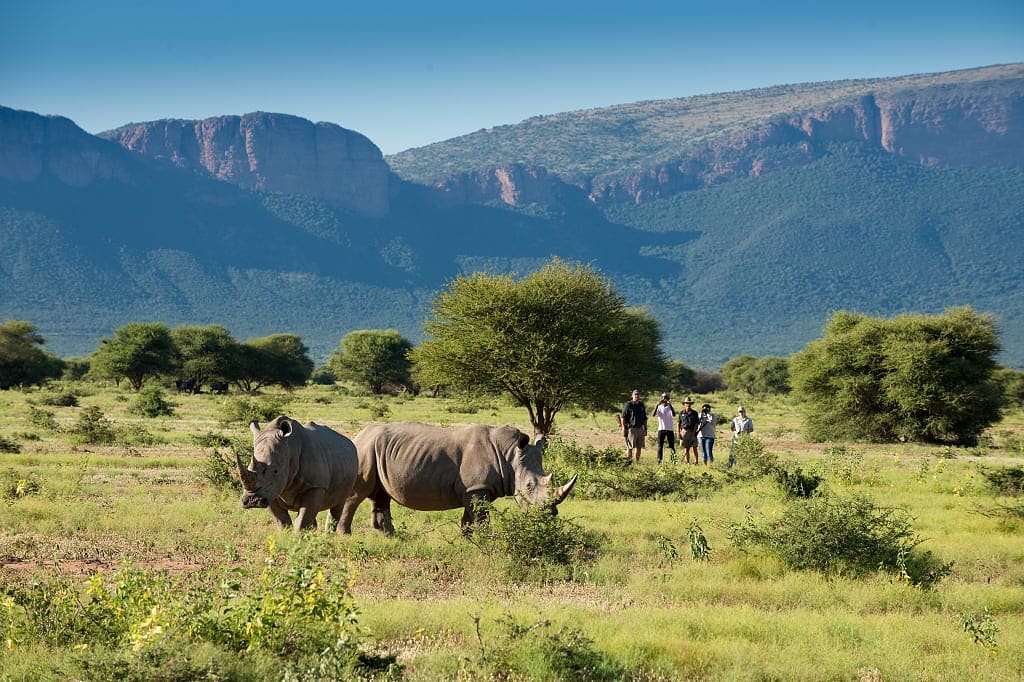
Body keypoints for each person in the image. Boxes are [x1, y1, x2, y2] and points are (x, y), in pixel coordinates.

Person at [619, 389, 648, 463]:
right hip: (631, 429)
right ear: (632, 396)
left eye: (638, 395)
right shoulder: (628, 405)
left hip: (640, 428)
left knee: (639, 447)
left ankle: (637, 462)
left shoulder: (641, 405)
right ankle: (629, 462)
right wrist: (623, 428)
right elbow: (623, 418)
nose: (636, 396)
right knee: (630, 447)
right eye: (635, 395)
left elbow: (645, 418)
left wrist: (645, 429)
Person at [651, 392, 677, 463]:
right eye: (663, 398)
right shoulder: (659, 407)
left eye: (665, 398)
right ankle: (659, 460)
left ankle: (674, 460)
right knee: (660, 446)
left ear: (668, 399)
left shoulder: (670, 407)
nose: (664, 399)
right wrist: (657, 404)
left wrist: (670, 404)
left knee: (672, 446)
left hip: (669, 429)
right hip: (661, 429)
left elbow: (674, 414)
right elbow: (653, 414)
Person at [677, 397, 700, 464]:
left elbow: (696, 424)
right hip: (684, 431)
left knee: (694, 447)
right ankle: (687, 462)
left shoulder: (695, 413)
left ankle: (696, 462)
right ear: (684, 404)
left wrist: (693, 433)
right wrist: (678, 433)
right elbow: (679, 423)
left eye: (689, 403)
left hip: (692, 431)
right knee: (686, 448)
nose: (688, 404)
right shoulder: (681, 413)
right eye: (687, 403)